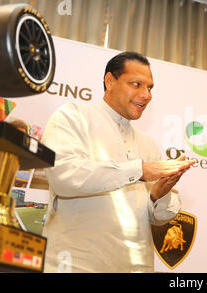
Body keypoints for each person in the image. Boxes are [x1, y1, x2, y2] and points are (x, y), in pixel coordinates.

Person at [41, 52, 195, 273]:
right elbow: (62, 176)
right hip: (76, 263)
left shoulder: (148, 144)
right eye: (137, 84)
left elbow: (160, 217)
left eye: (150, 88)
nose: (146, 95)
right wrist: (139, 171)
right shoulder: (73, 116)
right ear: (110, 81)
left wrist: (158, 195)